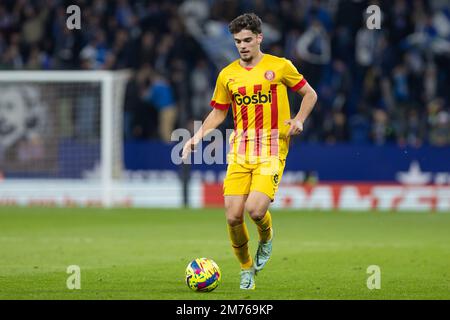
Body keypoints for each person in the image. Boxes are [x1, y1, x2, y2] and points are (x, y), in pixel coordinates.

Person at [182, 13, 317, 290]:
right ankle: (246, 270)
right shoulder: (227, 74)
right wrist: (197, 136)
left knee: (255, 211)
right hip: (240, 150)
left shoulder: (280, 67)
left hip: (272, 148)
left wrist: (299, 119)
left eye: (246, 40)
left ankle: (266, 236)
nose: (242, 46)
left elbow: (310, 94)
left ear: (259, 38)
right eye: (237, 41)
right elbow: (219, 112)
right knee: (233, 216)